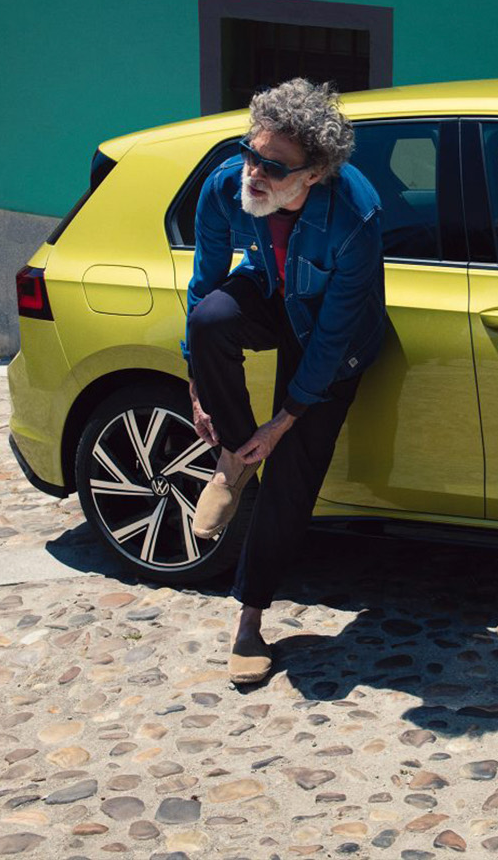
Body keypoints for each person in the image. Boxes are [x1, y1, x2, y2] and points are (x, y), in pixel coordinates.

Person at [179, 78, 386, 684]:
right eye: (250, 152)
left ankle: (249, 621)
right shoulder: (225, 186)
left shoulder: (355, 214)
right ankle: (233, 460)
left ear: (313, 174)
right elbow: (204, 284)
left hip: (331, 335)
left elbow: (332, 336)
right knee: (210, 319)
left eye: (273, 166)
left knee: (291, 470)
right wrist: (198, 386)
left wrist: (281, 423)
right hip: (274, 291)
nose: (253, 172)